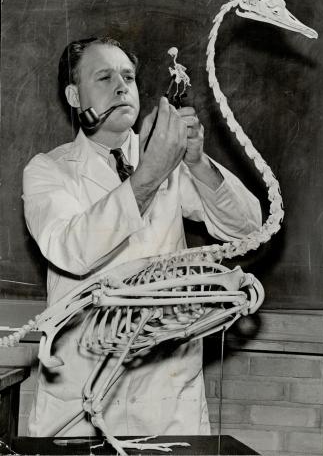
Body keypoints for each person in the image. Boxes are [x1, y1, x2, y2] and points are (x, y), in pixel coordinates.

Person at [24, 36, 261, 438]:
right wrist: (150, 172)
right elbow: (73, 250)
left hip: (166, 400)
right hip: (80, 407)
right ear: (73, 95)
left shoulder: (171, 159)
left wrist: (198, 162)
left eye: (129, 77)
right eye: (104, 77)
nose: (121, 87)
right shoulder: (49, 171)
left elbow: (248, 228)